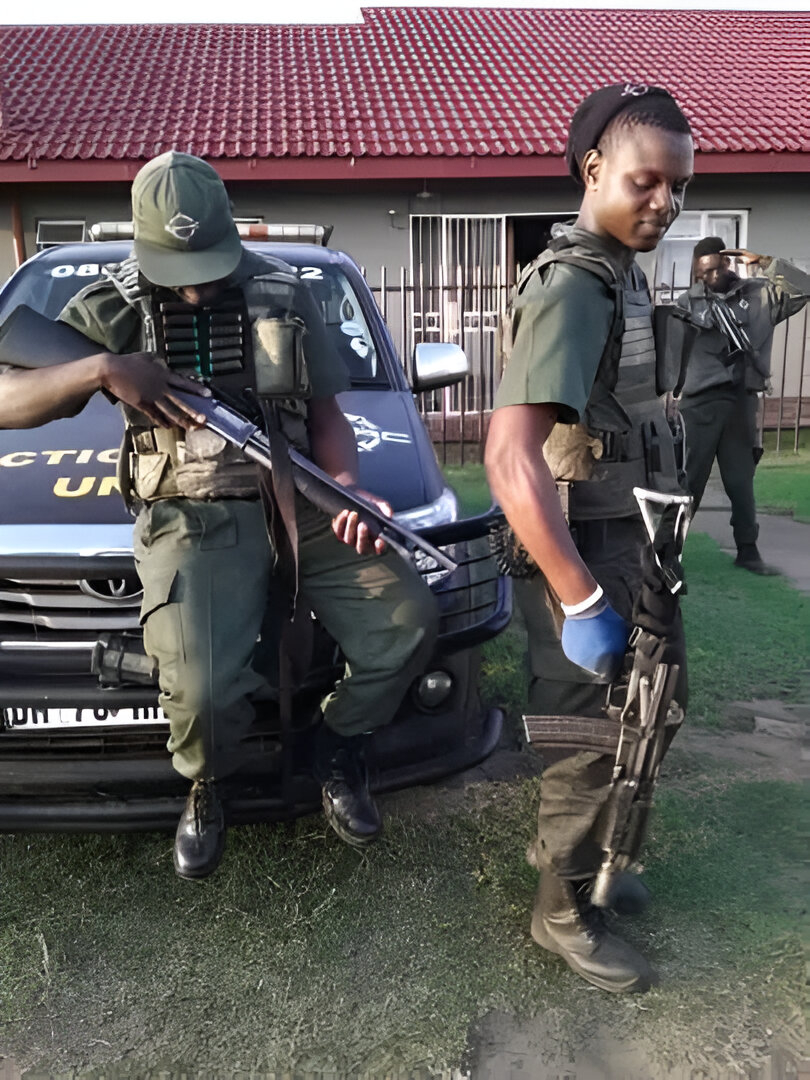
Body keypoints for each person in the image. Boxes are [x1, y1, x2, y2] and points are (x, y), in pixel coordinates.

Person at [0, 151, 437, 879]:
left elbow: (327, 413)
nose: (197, 287)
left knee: (408, 619)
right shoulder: (111, 305)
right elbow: (9, 401)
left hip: (299, 498)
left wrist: (348, 491)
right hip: (189, 512)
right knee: (201, 694)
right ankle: (209, 784)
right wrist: (101, 369)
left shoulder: (284, 292)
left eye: (208, 261)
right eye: (179, 269)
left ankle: (340, 744)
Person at [485, 84, 694, 993]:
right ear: (593, 169)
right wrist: (579, 597)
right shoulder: (574, 282)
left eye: (680, 188)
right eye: (647, 182)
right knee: (591, 733)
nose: (666, 203)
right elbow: (507, 454)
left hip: (634, 529)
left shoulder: (621, 266)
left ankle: (601, 864)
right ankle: (561, 909)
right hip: (586, 543)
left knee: (647, 713)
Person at [676, 236, 810, 573]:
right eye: (701, 273)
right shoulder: (687, 303)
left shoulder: (760, 295)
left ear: (727, 263)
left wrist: (764, 261)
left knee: (740, 481)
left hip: (741, 402)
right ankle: (668, 553)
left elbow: (804, 286)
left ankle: (748, 551)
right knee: (688, 480)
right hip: (699, 404)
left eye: (713, 269)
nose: (707, 278)